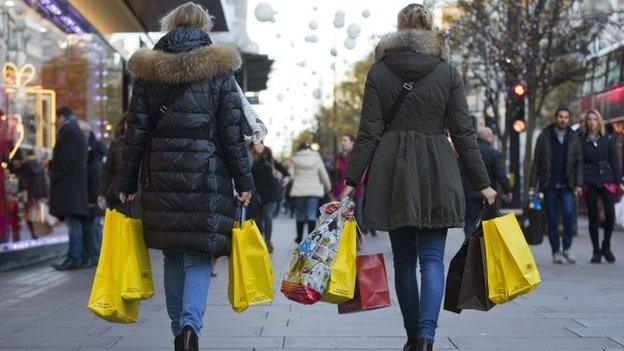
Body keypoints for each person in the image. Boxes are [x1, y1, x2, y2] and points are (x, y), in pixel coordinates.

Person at [340, 4, 495, 350]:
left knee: (406, 261)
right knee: (432, 259)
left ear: (398, 30)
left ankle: (412, 335)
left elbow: (368, 132)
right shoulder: (447, 72)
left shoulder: (379, 71)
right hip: (436, 167)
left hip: (392, 168)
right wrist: (483, 183)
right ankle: (427, 336)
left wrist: (351, 181)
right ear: (431, 28)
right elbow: (463, 132)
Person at [117, 3, 253, 351]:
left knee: (173, 253)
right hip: (206, 175)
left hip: (161, 174)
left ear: (171, 26)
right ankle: (191, 327)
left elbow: (135, 132)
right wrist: (244, 181)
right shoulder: (220, 70)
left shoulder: (148, 71)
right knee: (196, 255)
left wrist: (127, 183)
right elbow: (231, 134)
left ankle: (179, 329)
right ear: (204, 27)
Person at [529, 107, 583, 265]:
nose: (563, 120)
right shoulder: (544, 136)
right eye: (560, 117)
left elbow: (579, 163)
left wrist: (578, 184)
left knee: (568, 214)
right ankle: (555, 251)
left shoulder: (574, 137)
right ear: (555, 117)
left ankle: (567, 248)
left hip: (567, 184)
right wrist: (533, 185)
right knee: (551, 218)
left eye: (566, 117)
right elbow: (536, 162)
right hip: (550, 184)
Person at [579, 109, 623, 263]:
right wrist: (578, 183)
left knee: (610, 213)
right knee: (593, 217)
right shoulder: (581, 139)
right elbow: (578, 162)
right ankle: (596, 251)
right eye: (589, 119)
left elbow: (615, 161)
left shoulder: (608, 139)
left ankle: (606, 246)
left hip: (606, 178)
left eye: (594, 119)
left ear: (599, 121)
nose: (592, 122)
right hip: (589, 179)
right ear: (586, 122)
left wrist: (619, 182)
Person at [49, 107, 89, 271]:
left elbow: (66, 158)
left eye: (57, 119)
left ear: (61, 117)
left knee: (73, 222)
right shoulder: (76, 129)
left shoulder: (67, 130)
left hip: (68, 185)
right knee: (75, 222)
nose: (56, 123)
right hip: (75, 185)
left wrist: (55, 175)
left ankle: (74, 257)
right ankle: (74, 256)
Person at [461, 127, 513, 236]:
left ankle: (470, 246)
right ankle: (487, 247)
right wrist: (508, 190)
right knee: (489, 222)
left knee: (470, 221)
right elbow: (501, 174)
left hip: (469, 194)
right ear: (488, 136)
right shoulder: (494, 153)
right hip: (489, 194)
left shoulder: (466, 153)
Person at [249, 142, 290, 253]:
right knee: (257, 220)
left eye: (261, 144)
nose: (259, 146)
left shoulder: (269, 158)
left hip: (271, 193)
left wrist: (287, 177)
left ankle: (267, 243)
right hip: (256, 194)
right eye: (256, 145)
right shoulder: (250, 159)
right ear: (253, 147)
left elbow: (284, 170)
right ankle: (259, 243)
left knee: (267, 216)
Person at [289, 142, 331, 243]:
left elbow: (290, 175)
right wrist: (327, 187)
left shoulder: (295, 159)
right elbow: (323, 174)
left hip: (299, 190)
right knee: (311, 214)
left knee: (300, 214)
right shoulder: (316, 158)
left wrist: (288, 182)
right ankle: (311, 240)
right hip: (314, 190)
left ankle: (299, 238)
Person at [98, 114, 129, 214]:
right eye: (128, 123)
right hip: (116, 194)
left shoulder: (147, 142)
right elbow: (107, 170)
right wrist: (102, 193)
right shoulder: (117, 144)